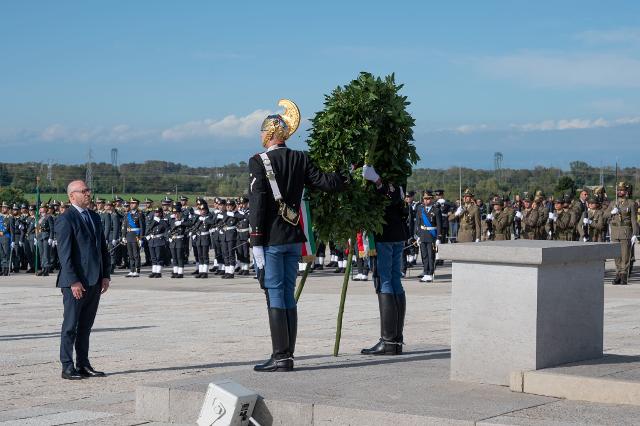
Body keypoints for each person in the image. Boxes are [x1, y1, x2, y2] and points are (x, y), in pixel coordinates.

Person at [249, 99, 347, 372]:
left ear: (270, 133)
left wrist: (255, 241)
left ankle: (281, 356)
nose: (260, 137)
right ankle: (287, 355)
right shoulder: (300, 158)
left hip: (271, 240)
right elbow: (329, 183)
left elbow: (257, 203)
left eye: (261, 132)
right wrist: (345, 169)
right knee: (288, 295)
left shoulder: (259, 161)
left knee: (275, 295)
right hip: (294, 238)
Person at [56, 180, 110, 380]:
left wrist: (105, 275)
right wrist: (73, 281)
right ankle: (67, 366)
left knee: (85, 326)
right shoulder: (66, 219)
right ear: (72, 196)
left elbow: (102, 249)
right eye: (84, 191)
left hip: (94, 280)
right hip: (75, 283)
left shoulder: (94, 217)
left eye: (89, 190)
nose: (89, 193)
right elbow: (65, 255)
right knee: (70, 326)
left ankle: (83, 364)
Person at [360, 165, 407, 355]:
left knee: (385, 281)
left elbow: (393, 196)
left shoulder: (384, 172)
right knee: (394, 281)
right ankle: (395, 341)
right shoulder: (397, 168)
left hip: (383, 234)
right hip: (396, 233)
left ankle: (388, 341)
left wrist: (377, 181)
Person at [605, 182, 638, 285]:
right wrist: (611, 212)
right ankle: (618, 274)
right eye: (618, 190)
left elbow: (633, 219)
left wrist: (635, 233)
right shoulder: (613, 203)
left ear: (626, 192)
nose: (620, 191)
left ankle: (624, 275)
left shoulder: (631, 203)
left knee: (625, 255)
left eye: (622, 190)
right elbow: (605, 215)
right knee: (616, 255)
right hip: (615, 231)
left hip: (625, 231)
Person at [414, 190, 442, 283]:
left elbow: (439, 225)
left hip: (431, 235)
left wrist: (438, 237)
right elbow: (417, 223)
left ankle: (430, 273)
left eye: (428, 199)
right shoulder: (420, 209)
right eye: (425, 199)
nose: (427, 201)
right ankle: (425, 273)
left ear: (432, 199)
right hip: (422, 235)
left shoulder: (436, 210)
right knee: (424, 255)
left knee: (431, 256)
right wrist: (417, 236)